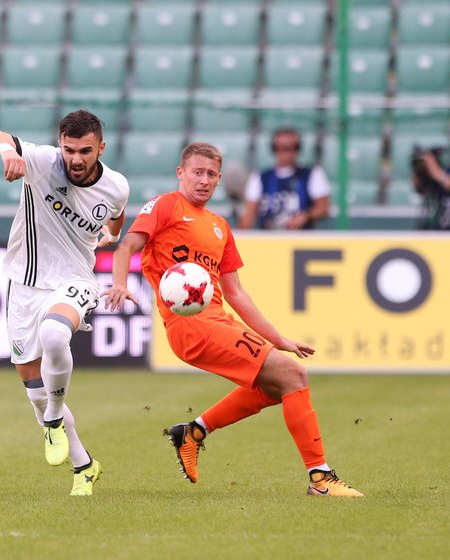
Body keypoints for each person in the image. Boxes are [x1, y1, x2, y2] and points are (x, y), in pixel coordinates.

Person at [103, 142, 363, 497]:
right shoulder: (166, 206)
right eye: (197, 172)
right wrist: (119, 282)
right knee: (294, 375)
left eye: (211, 174)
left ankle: (193, 432)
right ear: (181, 173)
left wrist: (279, 338)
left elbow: (236, 294)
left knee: (275, 388)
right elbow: (127, 247)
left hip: (219, 320)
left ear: (220, 179)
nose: (204, 180)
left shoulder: (220, 227)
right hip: (190, 326)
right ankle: (320, 479)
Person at [0, 109, 129, 496]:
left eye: (85, 151)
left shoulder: (116, 185)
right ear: (60, 144)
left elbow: (117, 215)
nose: (76, 159)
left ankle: (55, 420)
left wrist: (109, 235)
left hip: (75, 279)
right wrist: (6, 151)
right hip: (25, 284)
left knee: (56, 336)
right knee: (34, 388)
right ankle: (85, 465)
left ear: (101, 148)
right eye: (69, 149)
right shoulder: (42, 162)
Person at [238, 127, 331, 230]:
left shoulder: (313, 174)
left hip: (301, 239)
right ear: (274, 149)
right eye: (282, 147)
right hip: (269, 239)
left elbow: (323, 207)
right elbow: (249, 214)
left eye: (292, 147)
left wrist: (305, 216)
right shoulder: (259, 177)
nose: (287, 152)